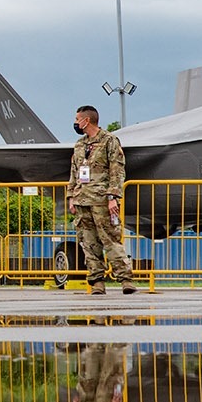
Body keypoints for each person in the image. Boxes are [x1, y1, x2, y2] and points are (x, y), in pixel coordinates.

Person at [68, 105, 136, 295]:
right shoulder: (80, 144)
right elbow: (74, 172)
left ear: (86, 120)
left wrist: (113, 196)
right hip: (83, 200)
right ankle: (97, 281)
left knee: (110, 239)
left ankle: (125, 279)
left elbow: (117, 169)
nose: (75, 123)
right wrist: (71, 196)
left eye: (77, 119)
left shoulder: (109, 141)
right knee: (88, 242)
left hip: (102, 200)